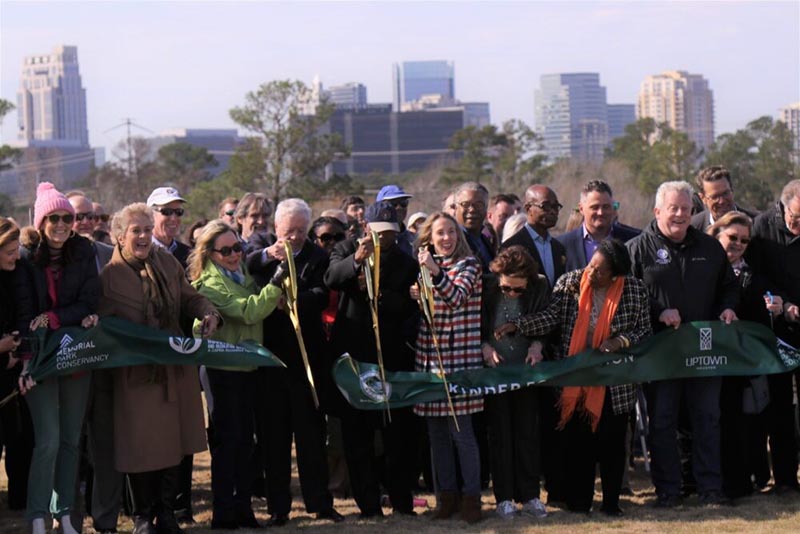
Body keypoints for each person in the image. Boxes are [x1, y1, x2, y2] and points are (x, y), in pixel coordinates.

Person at [496, 240, 651, 515]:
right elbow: (551, 317)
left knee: (613, 443)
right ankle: (580, 502)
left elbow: (643, 330)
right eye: (592, 264)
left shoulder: (634, 289)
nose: (591, 273)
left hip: (615, 383)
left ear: (615, 275)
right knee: (580, 444)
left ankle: (612, 503)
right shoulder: (570, 282)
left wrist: (621, 341)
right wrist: (518, 326)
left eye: (600, 271)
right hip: (576, 379)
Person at [98, 202, 221, 534]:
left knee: (174, 444)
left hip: (174, 368)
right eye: (135, 231)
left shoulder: (166, 261)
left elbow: (189, 296)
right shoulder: (110, 276)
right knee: (141, 447)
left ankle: (167, 512)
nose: (143, 236)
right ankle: (142, 516)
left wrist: (206, 311)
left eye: (147, 230)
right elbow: (104, 326)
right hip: (137, 374)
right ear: (119, 236)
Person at [627, 181, 739, 507]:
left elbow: (728, 288)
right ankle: (668, 491)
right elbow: (627, 301)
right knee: (662, 421)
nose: (679, 215)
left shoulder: (710, 247)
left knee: (707, 418)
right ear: (657, 210)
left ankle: (709, 488)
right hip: (660, 353)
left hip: (704, 350)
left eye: (685, 209)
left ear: (693, 211)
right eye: (673, 208)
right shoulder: (636, 249)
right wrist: (658, 312)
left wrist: (728, 307)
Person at [246, 198, 343, 526]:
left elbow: (322, 292)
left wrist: (291, 301)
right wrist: (266, 257)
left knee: (311, 435)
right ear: (276, 229)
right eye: (289, 231)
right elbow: (245, 266)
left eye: (302, 231)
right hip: (271, 359)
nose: (295, 237)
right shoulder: (260, 249)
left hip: (308, 360)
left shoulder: (318, 256)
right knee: (273, 437)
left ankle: (319, 501)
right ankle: (278, 507)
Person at [14, 182, 100, 534]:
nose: (62, 224)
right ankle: (37, 515)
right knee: (47, 439)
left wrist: (55, 317)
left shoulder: (83, 253)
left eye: (68, 217)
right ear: (41, 222)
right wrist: (25, 361)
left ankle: (64, 513)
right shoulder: (24, 259)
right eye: (54, 218)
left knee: (70, 440)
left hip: (75, 356)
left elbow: (89, 302)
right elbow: (22, 313)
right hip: (38, 361)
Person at [325, 201, 420, 518]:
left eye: (391, 233)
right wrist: (357, 260)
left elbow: (408, 307)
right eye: (380, 232)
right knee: (357, 434)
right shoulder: (345, 248)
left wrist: (377, 293)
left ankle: (401, 500)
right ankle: (368, 504)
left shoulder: (406, 262)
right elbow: (331, 278)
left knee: (396, 435)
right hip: (354, 356)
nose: (386, 239)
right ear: (366, 226)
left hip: (392, 357)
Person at [189, 220, 285, 529]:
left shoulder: (241, 273)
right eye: (226, 250)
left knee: (246, 443)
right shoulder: (210, 284)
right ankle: (223, 512)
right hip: (221, 370)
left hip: (245, 368)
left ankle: (243, 509)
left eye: (237, 248)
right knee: (227, 443)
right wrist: (277, 283)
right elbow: (248, 311)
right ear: (209, 254)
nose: (233, 255)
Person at [411, 212, 483, 524]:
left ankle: (472, 500)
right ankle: (445, 498)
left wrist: (434, 272)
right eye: (439, 233)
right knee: (436, 435)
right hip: (430, 359)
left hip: (460, 361)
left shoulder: (469, 265)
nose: (446, 238)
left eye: (451, 232)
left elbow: (455, 297)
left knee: (462, 434)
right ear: (429, 239)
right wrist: (418, 294)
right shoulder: (425, 270)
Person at [707, 211, 783, 499]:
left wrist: (775, 307)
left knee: (739, 424)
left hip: (737, 366)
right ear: (717, 234)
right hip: (701, 358)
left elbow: (766, 310)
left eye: (744, 241)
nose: (738, 244)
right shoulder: (701, 266)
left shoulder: (752, 277)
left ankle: (740, 483)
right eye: (733, 238)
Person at [480, 245, 549, 519]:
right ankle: (504, 498)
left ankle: (530, 495)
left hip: (525, 372)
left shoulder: (540, 287)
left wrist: (537, 346)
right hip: (495, 372)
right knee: (500, 436)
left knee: (527, 434)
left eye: (517, 290)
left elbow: (546, 324)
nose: (511, 293)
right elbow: (476, 324)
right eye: (506, 288)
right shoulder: (486, 288)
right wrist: (484, 348)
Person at [746, 179, 800, 493]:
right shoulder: (761, 227)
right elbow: (753, 277)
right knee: (779, 409)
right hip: (776, 331)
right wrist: (784, 303)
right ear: (783, 206)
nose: (798, 226)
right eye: (795, 219)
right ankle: (784, 479)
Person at [0, 217, 33, 512]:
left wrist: (16, 346)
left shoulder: (16, 274)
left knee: (18, 438)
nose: (16, 255)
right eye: (10, 251)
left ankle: (19, 500)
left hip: (9, 373)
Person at [557, 181, 640, 271]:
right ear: (581, 209)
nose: (601, 213)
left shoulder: (634, 241)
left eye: (606, 207)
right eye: (594, 207)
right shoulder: (562, 245)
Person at [502, 185, 567, 289]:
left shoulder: (558, 248)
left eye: (555, 206)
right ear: (528, 208)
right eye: (545, 206)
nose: (552, 211)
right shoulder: (511, 247)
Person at [691, 166, 758, 231]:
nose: (722, 201)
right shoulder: (693, 228)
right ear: (703, 198)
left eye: (725, 193)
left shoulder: (756, 223)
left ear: (732, 190)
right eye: (715, 197)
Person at [453, 182, 493, 271]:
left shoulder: (485, 240)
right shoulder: (452, 240)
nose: (472, 209)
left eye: (478, 205)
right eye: (465, 204)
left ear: (486, 209)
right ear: (455, 208)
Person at [147, 187, 191, 268]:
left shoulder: (189, 255)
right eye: (167, 212)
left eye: (178, 212)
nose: (173, 218)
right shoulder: (141, 252)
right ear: (151, 215)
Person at [376, 185, 414, 256]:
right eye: (393, 204)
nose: (399, 208)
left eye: (403, 203)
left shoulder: (415, 240)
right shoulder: (370, 241)